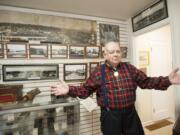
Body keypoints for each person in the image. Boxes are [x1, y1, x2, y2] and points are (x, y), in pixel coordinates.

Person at [51, 41, 180, 135]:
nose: (116, 54)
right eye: (111, 52)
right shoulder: (98, 72)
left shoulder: (130, 68)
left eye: (118, 51)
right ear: (105, 55)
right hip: (110, 116)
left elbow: (147, 82)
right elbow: (85, 90)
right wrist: (69, 90)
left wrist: (168, 80)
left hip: (130, 114)